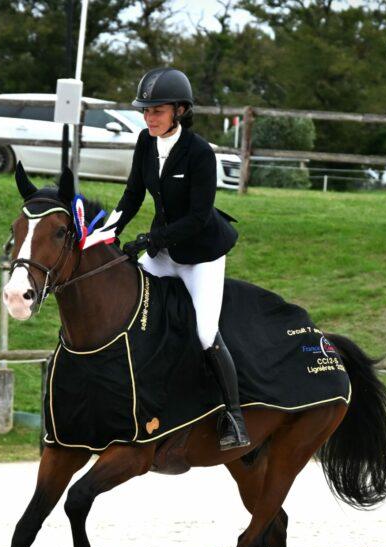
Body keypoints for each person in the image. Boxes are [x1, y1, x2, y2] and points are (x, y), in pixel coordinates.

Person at [103, 66, 250, 451]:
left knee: (203, 333)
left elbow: (199, 218)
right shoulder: (144, 142)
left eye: (157, 111)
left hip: (201, 255)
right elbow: (132, 195)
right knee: (131, 312)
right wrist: (105, 233)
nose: (149, 118)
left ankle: (234, 417)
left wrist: (150, 239)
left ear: (180, 111)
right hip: (163, 250)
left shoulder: (201, 154)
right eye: (145, 111)